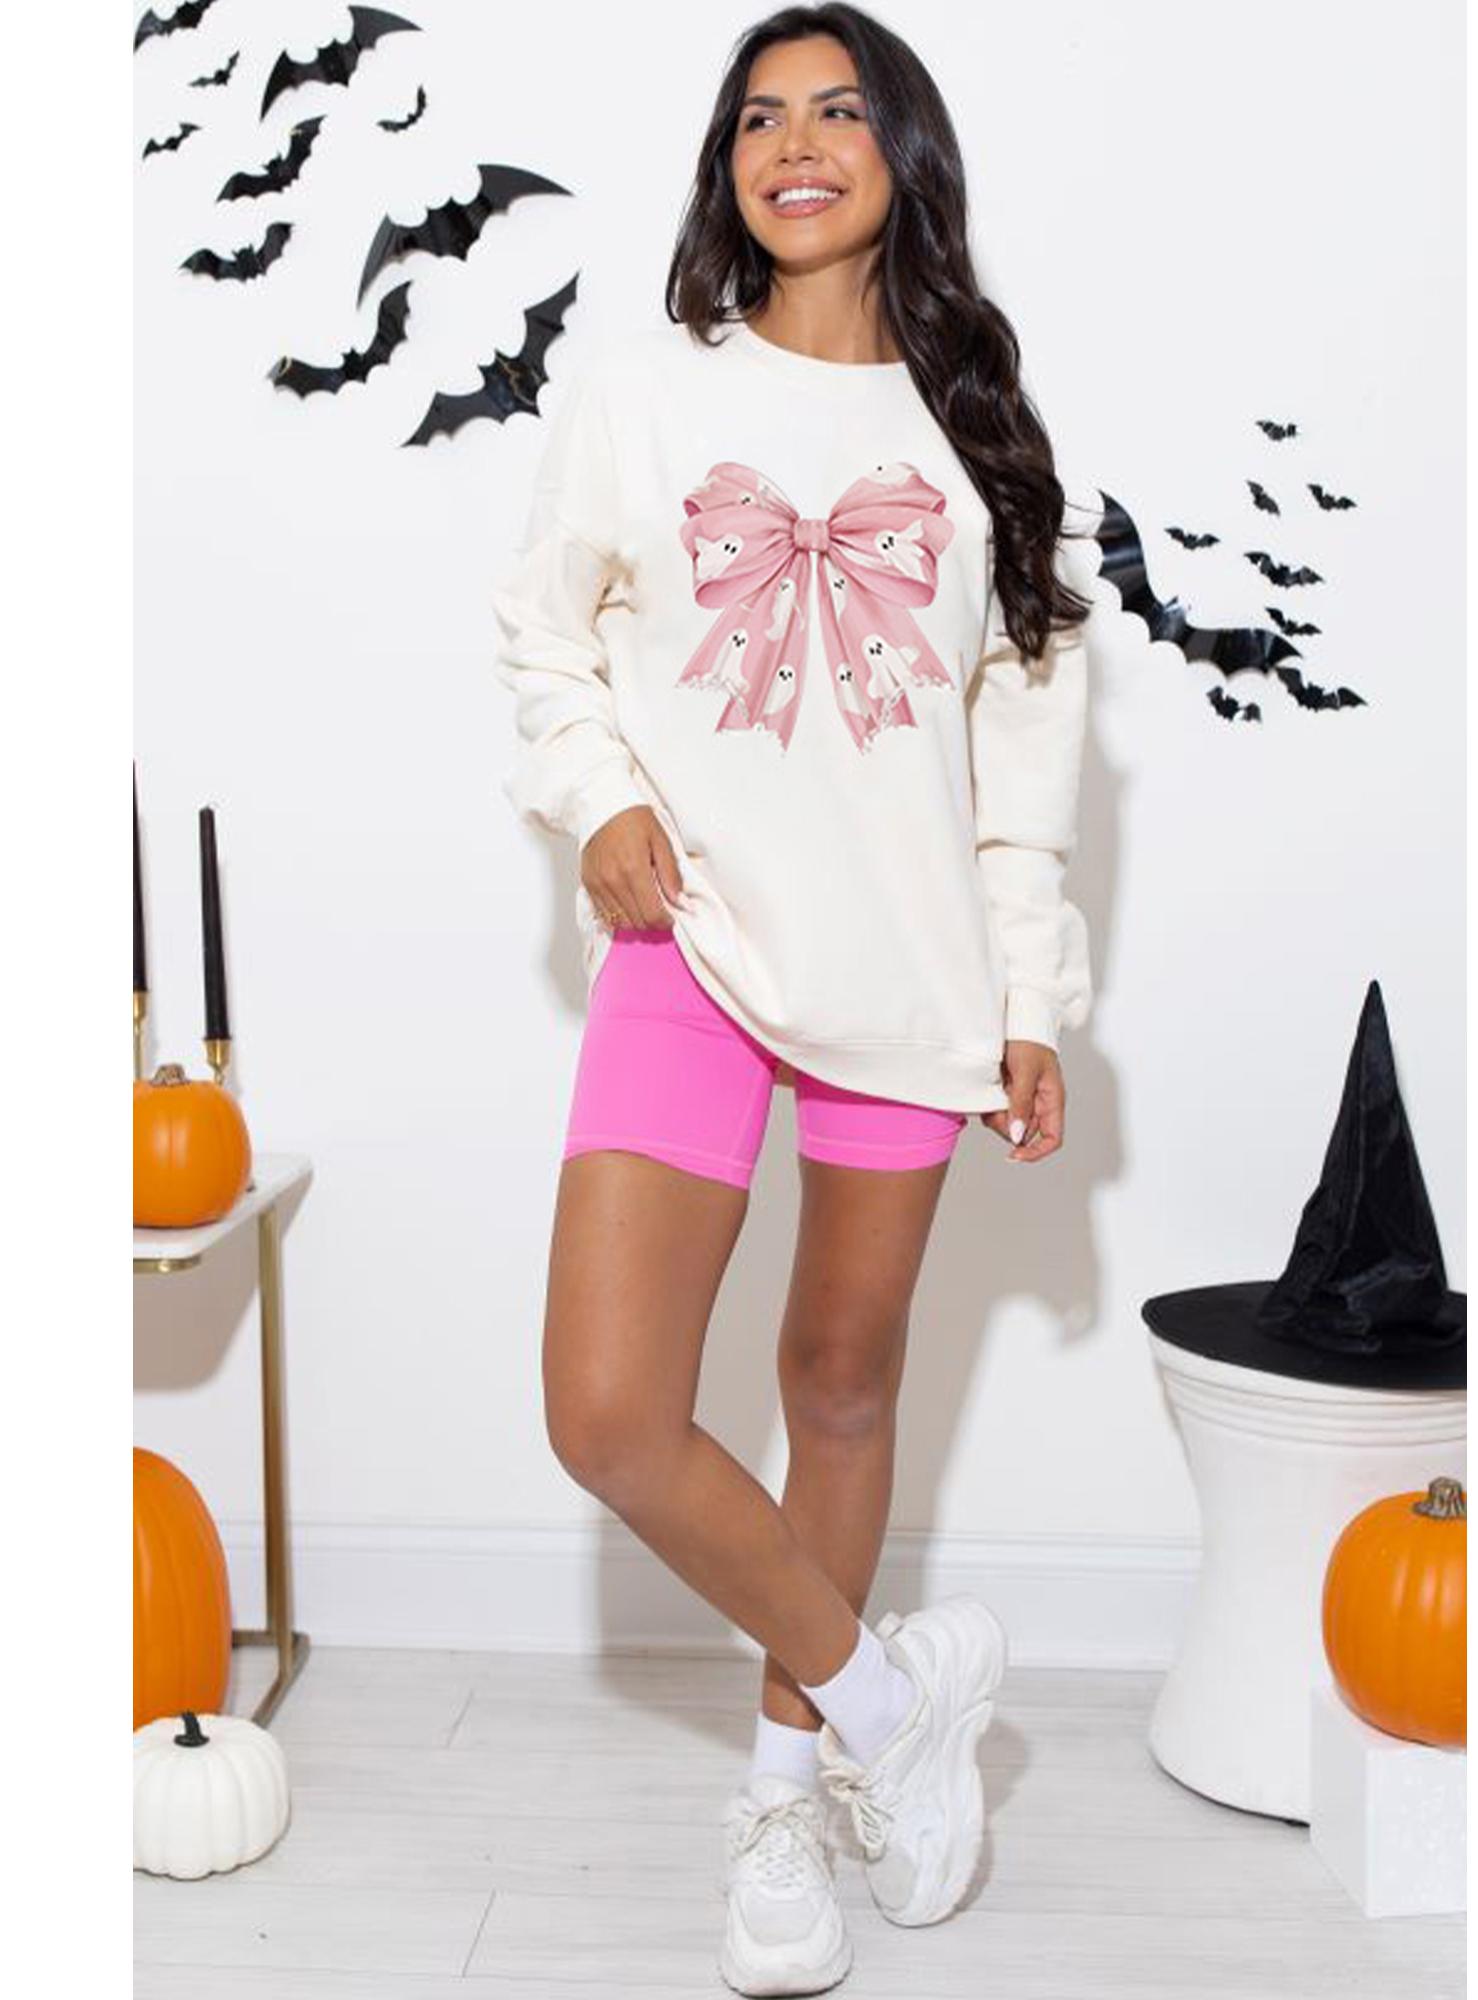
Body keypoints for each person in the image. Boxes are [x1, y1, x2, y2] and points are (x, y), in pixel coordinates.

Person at [491, 6, 1096, 1992]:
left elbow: (1023, 771)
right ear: (725, 167)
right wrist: (595, 798)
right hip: (693, 950)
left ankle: (784, 1799)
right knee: (608, 1411)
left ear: (904, 154)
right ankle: (888, 1701)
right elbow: (543, 633)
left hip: (911, 972)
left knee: (839, 1380)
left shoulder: (980, 437)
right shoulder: (647, 393)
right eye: (759, 116)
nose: (795, 141)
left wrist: (1031, 999)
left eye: (839, 108)